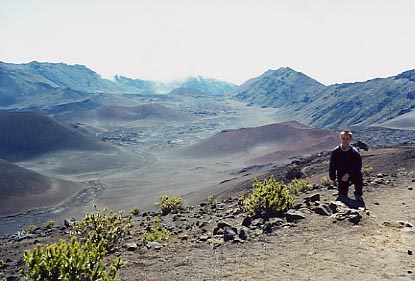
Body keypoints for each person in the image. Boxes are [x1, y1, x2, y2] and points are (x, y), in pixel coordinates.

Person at [329, 130, 364, 202]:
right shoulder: (335, 152)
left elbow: (357, 165)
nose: (345, 140)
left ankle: (358, 194)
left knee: (358, 178)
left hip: (353, 173)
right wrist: (332, 178)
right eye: (343, 138)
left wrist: (348, 174)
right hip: (341, 175)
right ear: (340, 138)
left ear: (350, 139)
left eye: (347, 139)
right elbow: (332, 166)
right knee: (342, 195)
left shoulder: (354, 152)